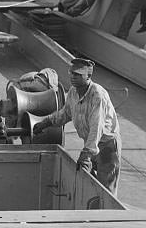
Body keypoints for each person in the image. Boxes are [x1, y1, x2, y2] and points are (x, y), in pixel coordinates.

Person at [34, 57, 122, 195]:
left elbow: (96, 126)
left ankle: (106, 215)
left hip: (107, 146)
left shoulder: (97, 95)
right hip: (91, 144)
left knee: (106, 191)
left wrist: (86, 154)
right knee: (90, 185)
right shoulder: (74, 93)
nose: (73, 77)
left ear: (89, 76)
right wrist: (46, 122)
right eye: (72, 73)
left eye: (78, 75)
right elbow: (66, 113)